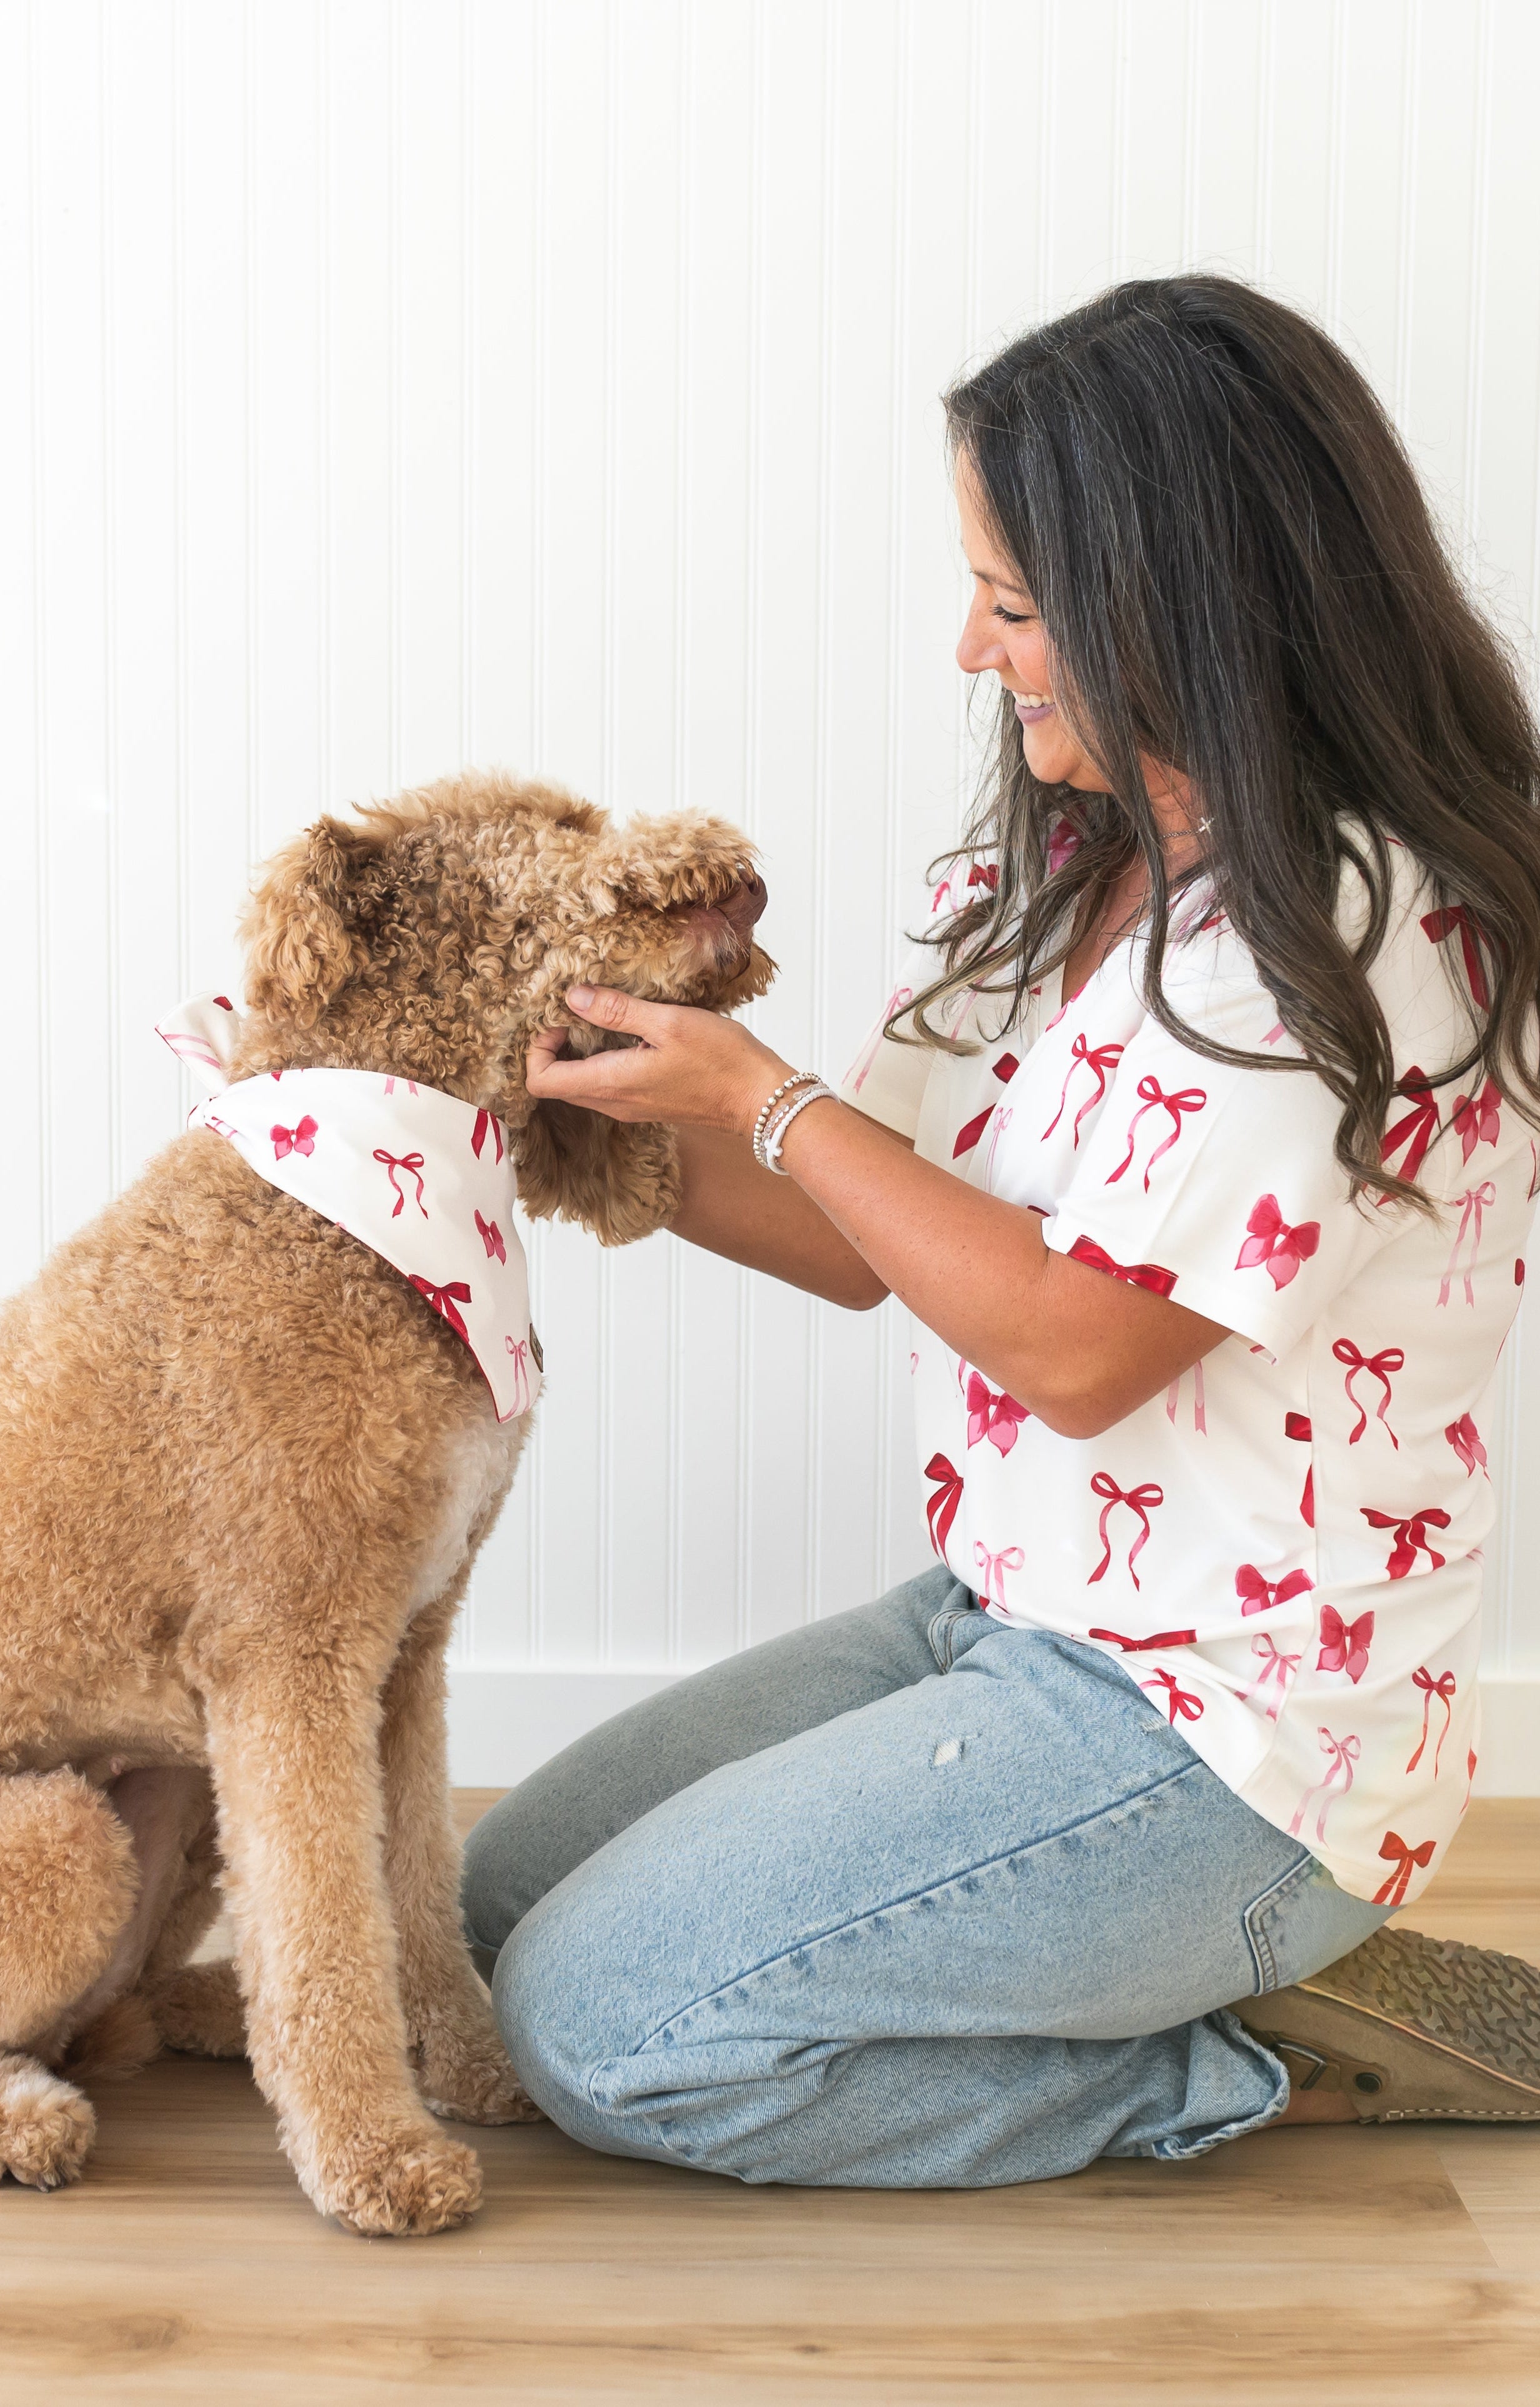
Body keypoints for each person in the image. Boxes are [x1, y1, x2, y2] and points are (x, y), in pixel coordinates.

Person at [462, 275, 1540, 2185]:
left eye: (1018, 605)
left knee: (603, 2034)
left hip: (1232, 1741)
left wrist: (759, 1091)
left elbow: (1074, 1343)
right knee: (493, 1907)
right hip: (1008, 1618)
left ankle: (1243, 2052)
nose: (973, 648)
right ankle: (1098, 1972)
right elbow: (861, 1222)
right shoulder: (1074, 857)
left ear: (1179, 602)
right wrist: (512, 1106)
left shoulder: (1361, 928)